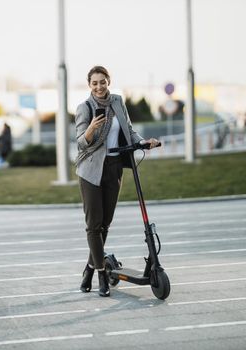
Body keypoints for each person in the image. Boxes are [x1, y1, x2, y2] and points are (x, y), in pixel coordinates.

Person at [75, 66, 160, 297]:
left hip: (114, 167)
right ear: (89, 85)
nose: (99, 86)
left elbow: (129, 130)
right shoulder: (84, 108)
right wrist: (91, 129)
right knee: (94, 225)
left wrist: (144, 142)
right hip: (91, 170)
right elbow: (81, 143)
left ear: (108, 81)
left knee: (106, 223)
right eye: (95, 83)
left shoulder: (117, 102)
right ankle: (101, 274)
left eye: (103, 81)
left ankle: (89, 268)